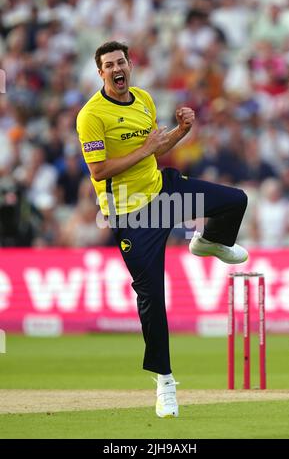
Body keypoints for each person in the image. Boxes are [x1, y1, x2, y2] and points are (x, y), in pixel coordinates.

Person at [76, 41, 248, 418]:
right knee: (153, 299)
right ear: (100, 73)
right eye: (109, 65)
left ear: (129, 64)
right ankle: (165, 383)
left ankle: (208, 242)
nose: (117, 68)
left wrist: (182, 130)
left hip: (162, 191)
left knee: (235, 200)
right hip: (131, 216)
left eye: (121, 61)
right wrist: (145, 149)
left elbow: (155, 147)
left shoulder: (143, 100)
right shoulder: (91, 115)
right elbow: (99, 171)